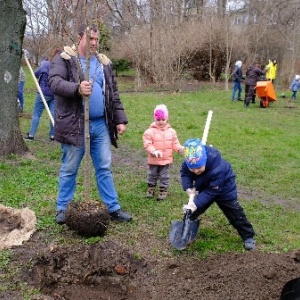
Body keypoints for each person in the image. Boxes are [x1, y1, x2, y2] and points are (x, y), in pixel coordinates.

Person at [48, 24, 132, 224]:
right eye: (90, 39)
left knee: (104, 166)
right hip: (74, 124)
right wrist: (77, 88)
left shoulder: (103, 63)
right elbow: (54, 83)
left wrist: (119, 119)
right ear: (80, 38)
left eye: (97, 39)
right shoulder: (65, 59)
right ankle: (62, 208)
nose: (94, 43)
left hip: (101, 125)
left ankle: (112, 208)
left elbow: (113, 94)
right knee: (70, 167)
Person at [180, 138, 256, 250]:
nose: (196, 171)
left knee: (234, 212)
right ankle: (186, 228)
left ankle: (248, 236)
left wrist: (196, 203)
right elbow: (185, 173)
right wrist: (188, 187)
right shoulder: (189, 163)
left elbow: (213, 191)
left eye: (199, 168)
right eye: (193, 169)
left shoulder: (217, 168)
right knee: (192, 210)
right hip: (206, 185)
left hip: (224, 188)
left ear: (205, 160)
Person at [142, 104, 184, 201]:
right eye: (158, 120)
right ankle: (151, 188)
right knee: (152, 174)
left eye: (163, 119)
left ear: (167, 119)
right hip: (154, 159)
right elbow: (147, 144)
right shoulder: (149, 132)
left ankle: (163, 190)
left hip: (166, 160)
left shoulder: (172, 132)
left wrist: (180, 149)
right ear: (154, 119)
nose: (160, 122)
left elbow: (175, 143)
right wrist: (154, 151)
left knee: (164, 175)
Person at [24, 55, 56, 142]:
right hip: (54, 93)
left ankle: (31, 135)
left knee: (36, 114)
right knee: (53, 114)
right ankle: (53, 135)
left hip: (43, 93)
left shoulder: (45, 64)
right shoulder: (59, 66)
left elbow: (36, 74)